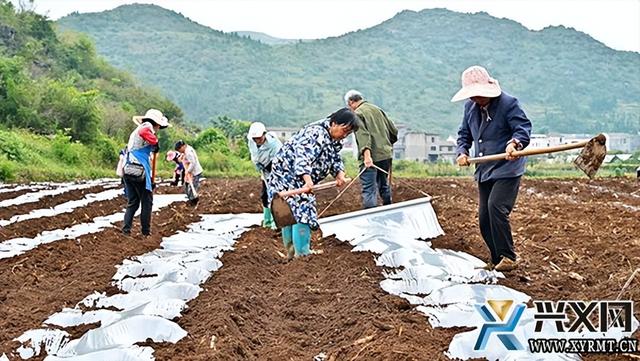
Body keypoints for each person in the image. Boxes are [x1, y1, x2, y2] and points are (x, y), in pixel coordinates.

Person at [452, 65, 532, 272]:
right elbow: (464, 135)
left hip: (507, 166)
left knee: (496, 207)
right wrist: (462, 152)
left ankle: (509, 256)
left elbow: (522, 129)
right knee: (484, 217)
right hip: (484, 167)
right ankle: (496, 259)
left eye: (478, 95)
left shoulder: (508, 104)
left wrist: (514, 143)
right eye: (472, 96)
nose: (475, 99)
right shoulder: (470, 108)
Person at [267, 108, 357, 258]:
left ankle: (294, 252)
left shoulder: (333, 139)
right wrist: (307, 182)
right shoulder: (315, 134)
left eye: (348, 133)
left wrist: (340, 174)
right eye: (344, 130)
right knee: (299, 210)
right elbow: (303, 157)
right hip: (288, 174)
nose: (344, 135)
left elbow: (334, 158)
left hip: (295, 175)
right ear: (334, 123)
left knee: (293, 210)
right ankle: (301, 253)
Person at [344, 90, 398, 209]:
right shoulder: (377, 109)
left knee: (369, 189)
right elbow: (393, 130)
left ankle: (371, 219)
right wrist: (387, 147)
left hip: (371, 158)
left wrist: (367, 157)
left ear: (351, 102)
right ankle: (390, 211)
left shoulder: (357, 114)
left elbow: (363, 136)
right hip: (385, 155)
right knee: (384, 185)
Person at [122, 109, 170, 236]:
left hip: (128, 169)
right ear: (156, 124)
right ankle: (145, 233)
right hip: (139, 170)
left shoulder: (135, 133)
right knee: (147, 202)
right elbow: (145, 133)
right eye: (159, 126)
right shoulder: (146, 127)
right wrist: (155, 141)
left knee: (133, 202)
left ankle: (126, 231)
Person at [247, 122, 282, 229]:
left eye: (259, 138)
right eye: (255, 139)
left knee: (275, 195)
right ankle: (267, 221)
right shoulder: (251, 141)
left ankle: (276, 222)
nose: (257, 141)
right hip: (264, 170)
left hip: (277, 171)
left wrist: (267, 167)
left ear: (264, 134)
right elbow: (254, 154)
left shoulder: (274, 144)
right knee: (265, 196)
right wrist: (258, 164)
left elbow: (277, 161)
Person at [175, 140, 203, 206]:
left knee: (193, 188)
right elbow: (182, 157)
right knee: (186, 186)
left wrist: (188, 171)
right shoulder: (186, 150)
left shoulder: (188, 152)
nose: (179, 151)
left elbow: (193, 163)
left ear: (183, 146)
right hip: (190, 173)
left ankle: (193, 202)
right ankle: (191, 200)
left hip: (195, 172)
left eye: (179, 149)